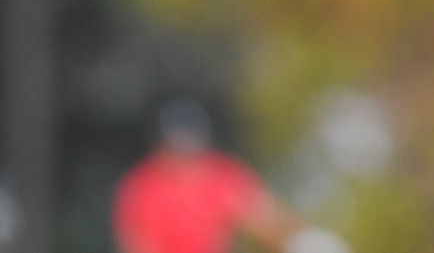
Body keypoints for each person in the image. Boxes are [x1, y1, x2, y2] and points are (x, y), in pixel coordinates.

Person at [113, 99, 348, 253]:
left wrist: (305, 240)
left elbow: (264, 219)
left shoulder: (221, 176)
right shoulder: (143, 187)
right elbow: (138, 243)